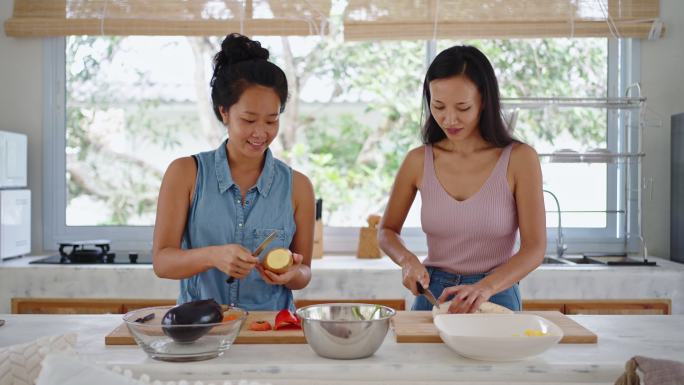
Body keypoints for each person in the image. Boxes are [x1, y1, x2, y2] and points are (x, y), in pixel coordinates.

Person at [152, 33, 315, 311]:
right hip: (202, 328)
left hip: (270, 331)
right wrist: (213, 256)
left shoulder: (298, 186)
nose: (260, 132)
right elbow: (162, 262)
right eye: (249, 120)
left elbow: (304, 272)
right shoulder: (185, 174)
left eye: (272, 120)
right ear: (224, 112)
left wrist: (292, 274)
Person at [378, 45, 546, 313]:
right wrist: (407, 260)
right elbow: (386, 231)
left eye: (463, 107)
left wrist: (486, 287)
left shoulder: (519, 159)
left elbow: (535, 247)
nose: (449, 119)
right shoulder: (417, 161)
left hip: (495, 292)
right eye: (438, 106)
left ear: (484, 102)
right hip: (433, 291)